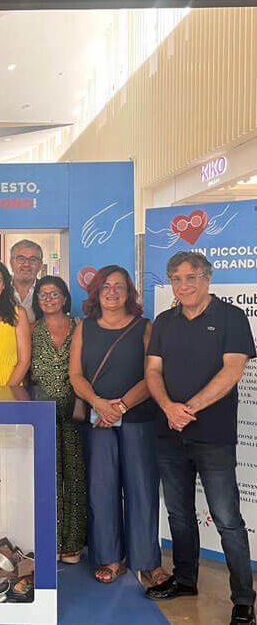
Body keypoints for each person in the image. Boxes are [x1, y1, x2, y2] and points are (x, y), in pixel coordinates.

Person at [145, 252, 255, 625]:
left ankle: (243, 598)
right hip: (169, 433)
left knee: (227, 519)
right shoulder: (164, 321)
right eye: (176, 278)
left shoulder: (231, 317)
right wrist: (168, 407)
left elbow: (233, 370)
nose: (183, 285)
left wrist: (187, 409)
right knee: (178, 513)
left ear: (207, 279)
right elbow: (153, 371)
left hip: (213, 435)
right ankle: (185, 580)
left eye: (190, 277)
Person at [69, 265, 166, 585]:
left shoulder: (144, 326)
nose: (112, 292)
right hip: (98, 420)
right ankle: (110, 557)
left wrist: (122, 406)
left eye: (119, 286)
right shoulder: (84, 327)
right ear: (96, 292)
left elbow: (153, 375)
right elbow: (75, 375)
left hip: (138, 418)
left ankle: (148, 561)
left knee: (142, 489)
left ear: (129, 293)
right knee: (102, 490)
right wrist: (98, 403)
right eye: (106, 286)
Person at [30, 275, 86, 564]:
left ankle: (72, 544)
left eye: (54, 293)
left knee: (75, 477)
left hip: (74, 413)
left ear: (65, 298)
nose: (49, 299)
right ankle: (50, 541)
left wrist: (83, 400)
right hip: (41, 416)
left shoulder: (80, 326)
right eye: (43, 294)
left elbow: (88, 367)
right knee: (47, 478)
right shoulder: (31, 330)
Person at [10, 239, 43, 323]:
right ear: (11, 262)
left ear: (40, 265)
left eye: (33, 260)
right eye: (21, 259)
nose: (26, 264)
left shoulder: (46, 291)